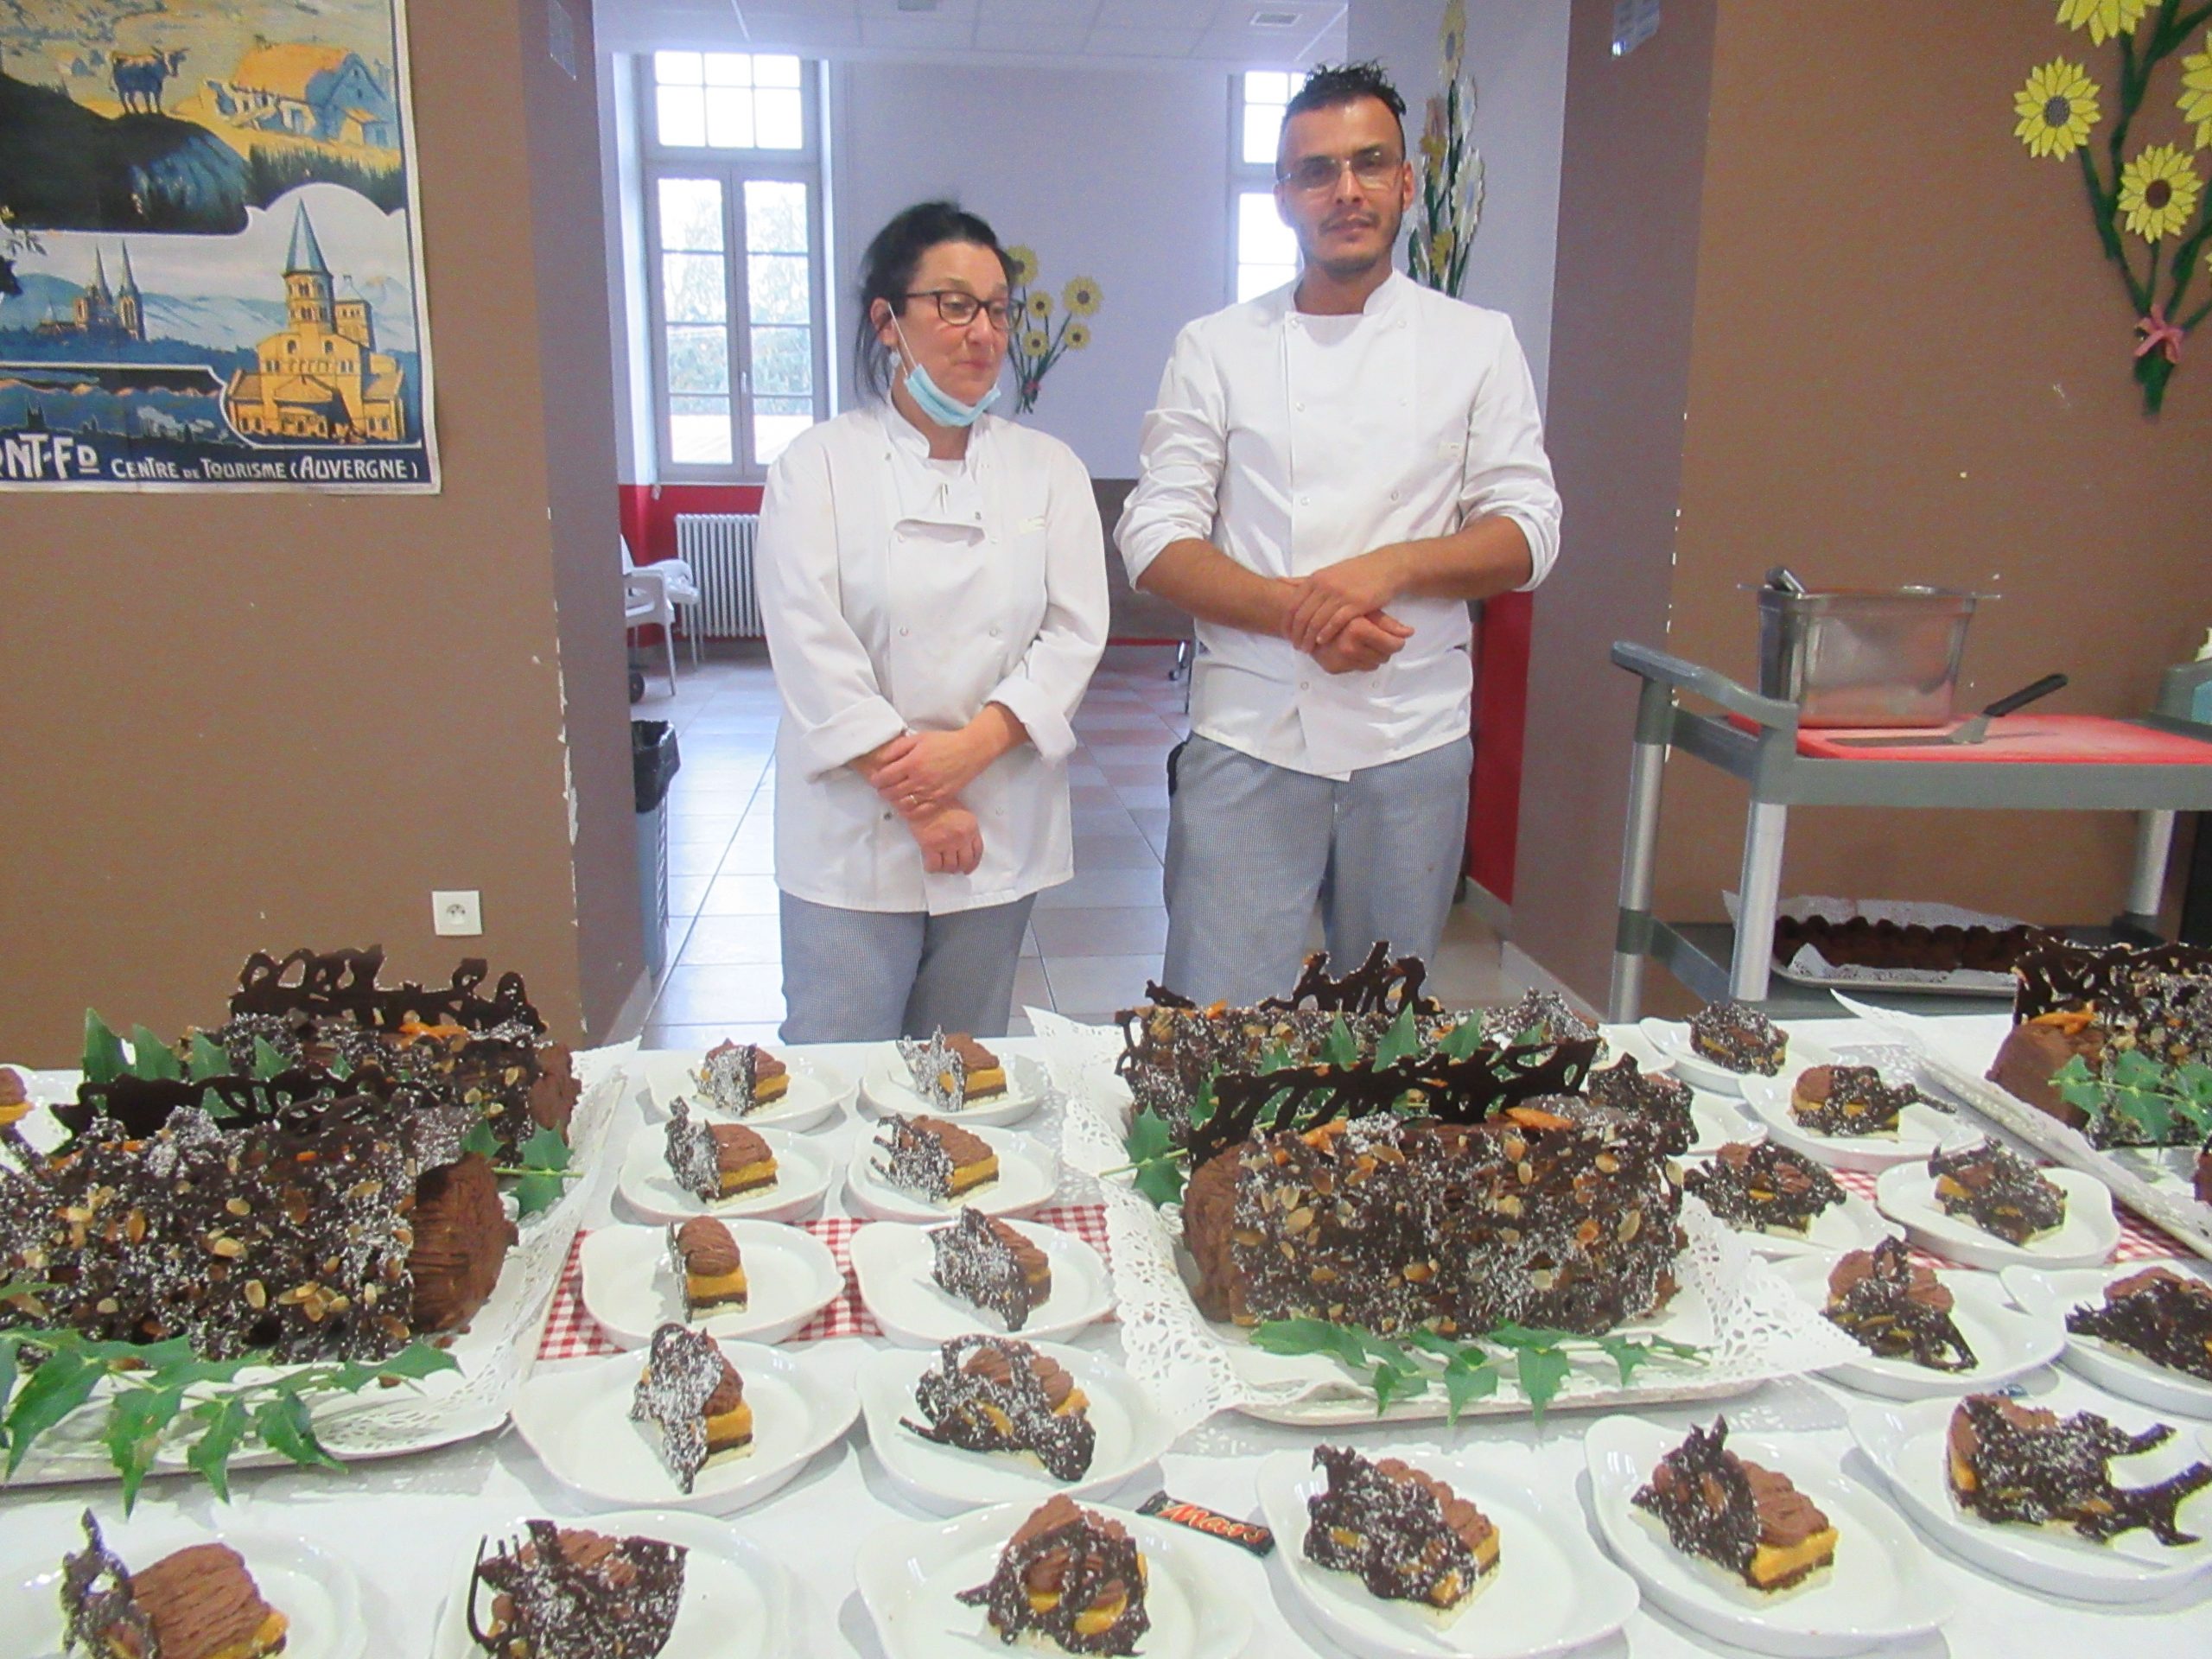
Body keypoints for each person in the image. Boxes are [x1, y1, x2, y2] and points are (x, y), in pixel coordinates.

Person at [1116, 61, 1561, 1006]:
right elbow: (1153, 535)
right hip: (1250, 733)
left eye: (1369, 163)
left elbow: (1528, 531)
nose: (1345, 190)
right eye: (1316, 171)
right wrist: (1301, 614)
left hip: (1413, 738)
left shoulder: (1477, 343)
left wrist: (1385, 569)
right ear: (1284, 197)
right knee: (1218, 1024)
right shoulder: (1216, 347)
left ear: (1407, 181)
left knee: (1379, 1029)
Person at [758, 200, 1109, 1042]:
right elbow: (812, 647)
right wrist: (923, 800)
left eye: (997, 309)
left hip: (997, 813)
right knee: (838, 1063)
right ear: (888, 321)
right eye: (954, 305)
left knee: (962, 1068)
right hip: (854, 830)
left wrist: (967, 752)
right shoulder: (816, 467)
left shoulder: (1048, 470)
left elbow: (1072, 636)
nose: (982, 332)